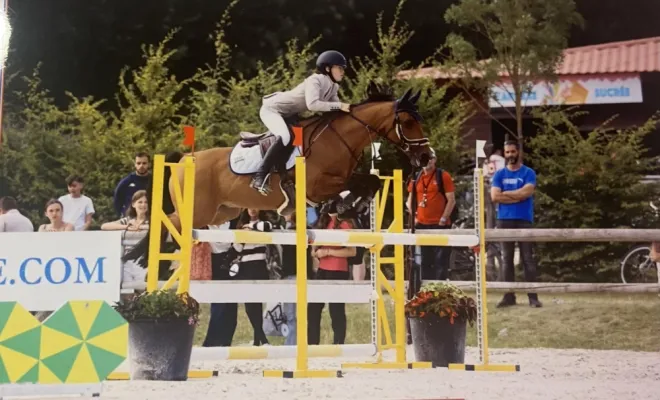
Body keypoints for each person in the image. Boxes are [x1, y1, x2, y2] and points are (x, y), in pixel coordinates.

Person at [250, 50, 352, 196]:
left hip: (290, 115)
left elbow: (334, 108)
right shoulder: (315, 80)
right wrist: (340, 106)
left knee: (300, 137)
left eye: (343, 68)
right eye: (339, 68)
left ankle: (284, 173)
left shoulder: (333, 86)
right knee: (285, 137)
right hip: (272, 110)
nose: (343, 71)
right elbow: (313, 105)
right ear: (328, 69)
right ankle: (259, 176)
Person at [490, 140, 542, 308]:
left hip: (523, 219)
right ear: (504, 154)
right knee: (506, 260)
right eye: (507, 152)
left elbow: (527, 192)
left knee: (528, 259)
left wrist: (507, 194)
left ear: (519, 152)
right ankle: (508, 296)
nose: (510, 155)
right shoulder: (499, 175)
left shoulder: (528, 172)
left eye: (513, 152)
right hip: (504, 220)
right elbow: (495, 197)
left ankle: (533, 297)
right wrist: (517, 196)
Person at [308, 198, 356, 345]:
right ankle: (312, 343)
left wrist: (328, 251)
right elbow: (312, 251)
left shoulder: (345, 224)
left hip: (338, 271)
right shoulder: (322, 223)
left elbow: (352, 251)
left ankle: (338, 343)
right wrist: (317, 253)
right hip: (322, 270)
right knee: (313, 309)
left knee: (336, 310)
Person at [406, 149, 456, 280]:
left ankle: (440, 290)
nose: (427, 161)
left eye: (429, 158)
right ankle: (427, 292)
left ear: (434, 160)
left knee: (441, 260)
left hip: (440, 225)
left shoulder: (443, 176)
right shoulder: (416, 177)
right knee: (425, 260)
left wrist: (443, 219)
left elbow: (451, 199)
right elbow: (409, 201)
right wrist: (415, 218)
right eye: (424, 158)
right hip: (422, 225)